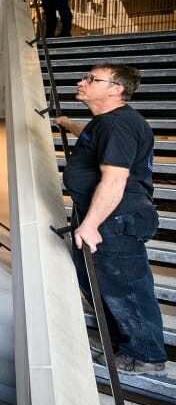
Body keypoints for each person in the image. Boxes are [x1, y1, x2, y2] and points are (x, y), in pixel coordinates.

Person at [56, 64, 165, 373]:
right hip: (105, 215)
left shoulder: (119, 125)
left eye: (92, 79)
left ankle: (146, 354)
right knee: (97, 281)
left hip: (116, 218)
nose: (82, 81)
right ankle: (121, 343)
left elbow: (114, 180)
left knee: (125, 287)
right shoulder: (104, 123)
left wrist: (90, 225)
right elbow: (90, 137)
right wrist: (67, 123)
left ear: (116, 89)